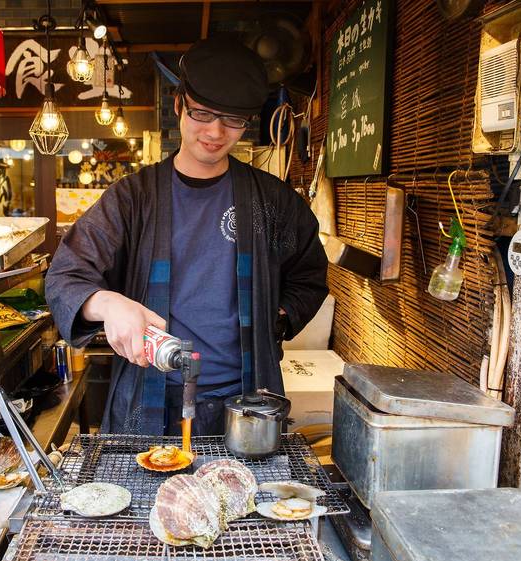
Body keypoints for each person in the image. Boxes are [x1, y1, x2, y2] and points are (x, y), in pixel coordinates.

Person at [45, 36, 328, 436]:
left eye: (232, 120)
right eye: (203, 113)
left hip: (246, 403)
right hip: (148, 402)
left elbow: (309, 277)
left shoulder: (273, 202)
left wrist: (274, 319)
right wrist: (107, 304)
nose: (215, 131)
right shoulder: (132, 198)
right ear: (179, 104)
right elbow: (64, 278)